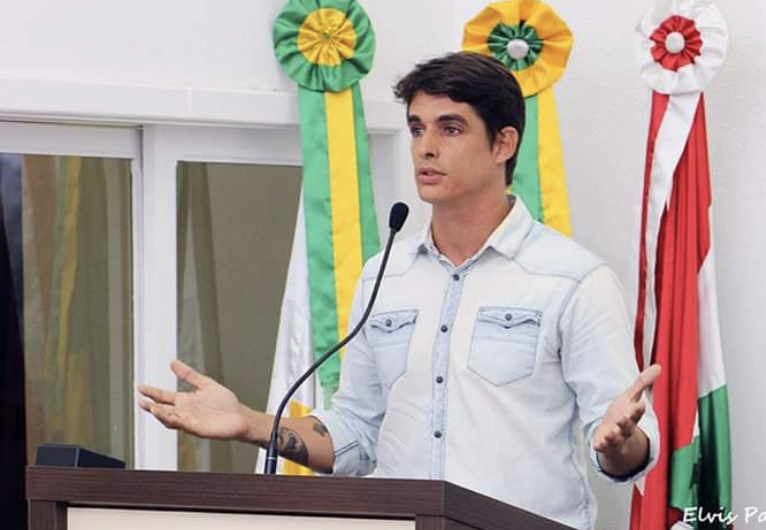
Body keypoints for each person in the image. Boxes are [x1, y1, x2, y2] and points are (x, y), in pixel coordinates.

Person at [139, 51, 661, 530]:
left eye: (450, 128)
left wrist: (619, 444)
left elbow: (629, 448)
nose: (426, 147)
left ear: (503, 144)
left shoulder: (572, 279)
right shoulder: (384, 277)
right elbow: (356, 432)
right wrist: (252, 424)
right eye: (416, 128)